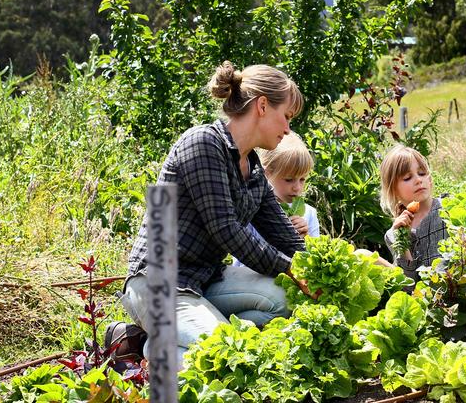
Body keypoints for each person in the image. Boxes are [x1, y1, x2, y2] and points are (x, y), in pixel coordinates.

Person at [105, 61, 317, 365]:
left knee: (287, 299)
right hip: (158, 281)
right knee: (225, 354)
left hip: (206, 280)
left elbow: (285, 237)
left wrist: (322, 267)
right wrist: (289, 267)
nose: (287, 129)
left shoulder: (253, 167)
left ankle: (168, 337)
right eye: (286, 116)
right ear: (261, 106)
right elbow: (226, 229)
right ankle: (148, 348)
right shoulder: (202, 143)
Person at [379, 144, 447, 281]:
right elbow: (409, 283)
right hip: (422, 298)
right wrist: (402, 239)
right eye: (407, 178)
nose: (418, 180)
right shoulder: (394, 233)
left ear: (430, 179)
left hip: (457, 292)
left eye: (422, 173)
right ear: (393, 190)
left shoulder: (447, 209)